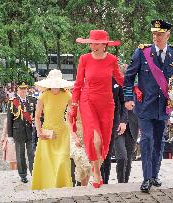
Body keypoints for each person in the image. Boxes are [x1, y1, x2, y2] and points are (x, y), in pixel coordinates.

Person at [123, 19, 173, 193]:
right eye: (154, 33)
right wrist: (128, 97)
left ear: (168, 35)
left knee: (159, 141)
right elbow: (128, 77)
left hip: (164, 106)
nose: (156, 37)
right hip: (144, 106)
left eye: (159, 33)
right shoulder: (142, 52)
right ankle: (146, 178)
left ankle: (155, 175)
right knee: (147, 140)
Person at [69, 30, 124, 188]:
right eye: (91, 42)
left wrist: (134, 89)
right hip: (88, 101)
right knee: (95, 138)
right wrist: (74, 104)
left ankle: (96, 167)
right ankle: (97, 172)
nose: (92, 45)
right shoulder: (84, 59)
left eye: (95, 43)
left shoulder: (112, 60)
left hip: (106, 103)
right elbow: (78, 84)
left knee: (104, 141)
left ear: (104, 45)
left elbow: (120, 79)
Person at [32, 69, 74, 190]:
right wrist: (39, 132)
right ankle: (47, 186)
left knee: (61, 160)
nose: (55, 86)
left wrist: (72, 123)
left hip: (62, 133)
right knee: (48, 162)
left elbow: (73, 112)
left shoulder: (67, 95)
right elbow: (37, 116)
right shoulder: (43, 96)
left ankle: (63, 185)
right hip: (47, 133)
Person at [101, 77, 127, 184]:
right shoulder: (95, 76)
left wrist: (123, 121)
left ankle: (105, 181)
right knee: (101, 152)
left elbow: (123, 101)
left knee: (107, 151)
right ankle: (101, 179)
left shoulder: (117, 80)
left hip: (113, 120)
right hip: (98, 119)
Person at [7, 82, 34, 183]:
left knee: (32, 154)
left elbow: (37, 114)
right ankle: (23, 175)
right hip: (18, 132)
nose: (23, 91)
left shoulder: (32, 100)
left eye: (25, 89)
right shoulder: (13, 101)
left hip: (30, 132)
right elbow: (10, 119)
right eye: (21, 89)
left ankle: (34, 173)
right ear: (18, 90)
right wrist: (10, 136)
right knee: (20, 155)